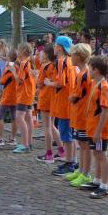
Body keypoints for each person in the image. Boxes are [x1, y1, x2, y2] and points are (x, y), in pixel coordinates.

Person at [81, 56, 108, 198]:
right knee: (96, 153)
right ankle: (97, 180)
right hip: (92, 128)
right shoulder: (96, 83)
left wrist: (99, 131)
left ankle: (104, 186)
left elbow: (105, 110)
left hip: (99, 130)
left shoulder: (103, 86)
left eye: (90, 69)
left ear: (96, 70)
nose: (88, 71)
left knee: (101, 155)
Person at [64, 43, 94, 187]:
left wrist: (70, 97)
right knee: (81, 144)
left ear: (79, 56)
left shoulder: (83, 74)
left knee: (85, 145)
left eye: (73, 55)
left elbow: (75, 95)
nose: (71, 57)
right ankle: (81, 170)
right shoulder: (82, 73)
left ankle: (85, 174)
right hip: (79, 113)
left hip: (82, 114)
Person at [49, 36, 76, 175]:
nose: (54, 48)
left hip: (64, 102)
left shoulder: (61, 61)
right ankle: (72, 161)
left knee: (66, 134)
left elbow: (61, 83)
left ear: (59, 47)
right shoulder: (70, 61)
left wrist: (48, 83)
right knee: (69, 134)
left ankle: (69, 163)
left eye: (55, 45)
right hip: (69, 101)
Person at [35, 44, 59, 162]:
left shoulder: (44, 66)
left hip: (45, 98)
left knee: (47, 127)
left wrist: (36, 77)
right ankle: (61, 150)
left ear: (46, 54)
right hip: (53, 97)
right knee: (52, 125)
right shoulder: (56, 65)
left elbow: (40, 84)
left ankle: (49, 153)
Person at [0, 49, 18, 146]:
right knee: (14, 116)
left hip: (8, 94)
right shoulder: (17, 66)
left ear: (9, 57)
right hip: (15, 94)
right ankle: (13, 138)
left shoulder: (9, 67)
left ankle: (0, 138)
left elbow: (2, 81)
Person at [12, 43, 35, 153]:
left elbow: (20, 80)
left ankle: (25, 144)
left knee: (19, 117)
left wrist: (13, 71)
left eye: (18, 50)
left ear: (22, 51)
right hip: (29, 93)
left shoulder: (23, 63)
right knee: (28, 118)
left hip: (23, 94)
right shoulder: (29, 62)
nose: (17, 52)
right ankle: (29, 143)